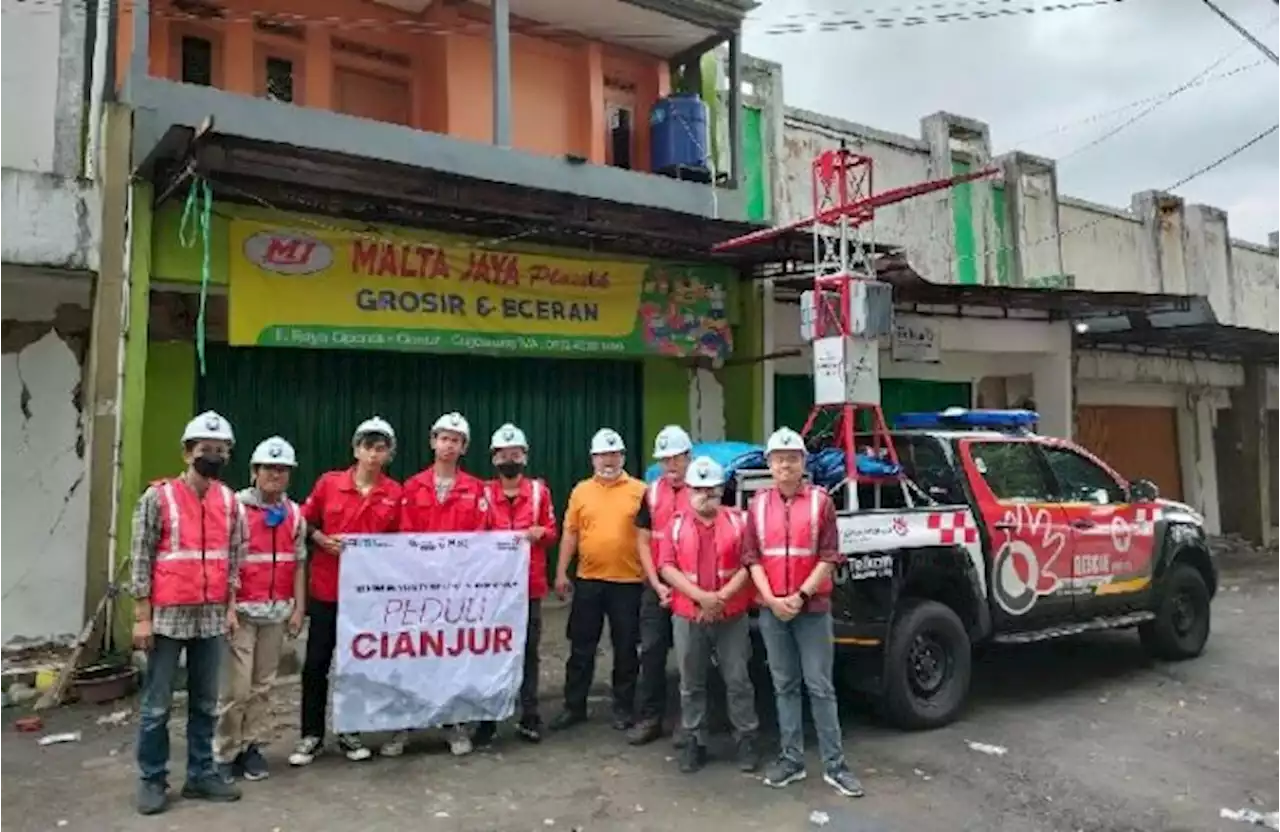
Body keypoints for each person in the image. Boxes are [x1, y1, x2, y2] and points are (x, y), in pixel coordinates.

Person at [130, 410, 246, 815]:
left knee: (206, 702)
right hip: (166, 617)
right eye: (205, 450)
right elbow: (141, 557)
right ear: (186, 453)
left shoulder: (230, 501)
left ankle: (200, 774)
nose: (212, 457)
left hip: (212, 616)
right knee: (157, 705)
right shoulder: (157, 497)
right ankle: (152, 779)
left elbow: (234, 560)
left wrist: (230, 609)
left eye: (220, 451)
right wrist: (142, 616)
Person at [743, 427, 863, 798]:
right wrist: (773, 600)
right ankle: (791, 760)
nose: (785, 465)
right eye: (779, 459)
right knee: (784, 686)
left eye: (792, 458)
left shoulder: (820, 502)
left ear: (803, 464)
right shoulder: (757, 505)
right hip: (772, 610)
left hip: (811, 608)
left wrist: (798, 595)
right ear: (769, 464)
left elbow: (829, 556)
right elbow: (752, 558)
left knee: (820, 687)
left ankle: (835, 765)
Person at [290, 417, 402, 767]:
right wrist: (321, 539)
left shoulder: (394, 494)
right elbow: (302, 521)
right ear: (356, 449)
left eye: (380, 448)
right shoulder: (329, 484)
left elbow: (402, 544)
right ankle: (311, 735)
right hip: (326, 590)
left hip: (367, 597)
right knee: (316, 666)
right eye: (367, 446)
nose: (372, 454)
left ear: (388, 455)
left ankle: (350, 730)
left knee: (356, 668)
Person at [657, 456, 759, 774]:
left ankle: (746, 739)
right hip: (688, 614)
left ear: (721, 491)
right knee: (690, 681)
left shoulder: (740, 522)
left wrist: (721, 597)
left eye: (712, 491)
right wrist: (701, 597)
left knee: (738, 680)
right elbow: (666, 567)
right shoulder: (674, 524)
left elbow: (750, 564)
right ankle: (694, 740)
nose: (706, 496)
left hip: (731, 614)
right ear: (688, 491)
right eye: (699, 490)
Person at [396, 411, 490, 757]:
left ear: (464, 447)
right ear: (433, 442)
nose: (448, 445)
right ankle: (405, 724)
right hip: (419, 589)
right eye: (444, 438)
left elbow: (481, 538)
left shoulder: (476, 489)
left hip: (456, 590)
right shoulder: (412, 486)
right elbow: (405, 535)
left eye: (456, 440)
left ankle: (453, 724)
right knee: (413, 654)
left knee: (452, 655)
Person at [214, 436, 307, 783]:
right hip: (241, 612)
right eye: (270, 468)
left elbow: (298, 563)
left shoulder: (294, 513)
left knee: (263, 686)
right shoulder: (234, 508)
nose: (276, 475)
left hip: (276, 613)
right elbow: (225, 562)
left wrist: (298, 609)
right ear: (255, 471)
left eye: (283, 470)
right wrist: (228, 607)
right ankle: (225, 751)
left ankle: (252, 747)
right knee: (236, 689)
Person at [549, 428, 647, 733]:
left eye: (614, 453)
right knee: (581, 647)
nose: (609, 460)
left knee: (626, 648)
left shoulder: (641, 491)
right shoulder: (581, 491)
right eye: (603, 454)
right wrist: (561, 571)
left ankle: (623, 707)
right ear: (592, 458)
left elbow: (649, 538)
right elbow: (571, 533)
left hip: (629, 582)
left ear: (623, 457)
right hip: (589, 580)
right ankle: (573, 706)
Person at [475, 423, 558, 746]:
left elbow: (552, 532)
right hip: (492, 591)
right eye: (504, 454)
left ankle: (530, 715)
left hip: (529, 588)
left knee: (528, 653)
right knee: (489, 651)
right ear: (494, 459)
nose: (510, 459)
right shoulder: (482, 494)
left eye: (516, 453)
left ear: (524, 457)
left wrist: (542, 533)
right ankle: (488, 717)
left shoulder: (539, 492)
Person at [629, 424, 693, 746]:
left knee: (689, 658)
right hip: (657, 587)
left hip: (691, 589)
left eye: (676, 458)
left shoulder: (702, 489)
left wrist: (685, 587)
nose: (670, 465)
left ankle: (688, 722)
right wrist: (657, 583)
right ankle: (650, 718)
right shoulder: (651, 493)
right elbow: (642, 542)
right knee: (652, 652)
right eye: (665, 459)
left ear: (688, 457)